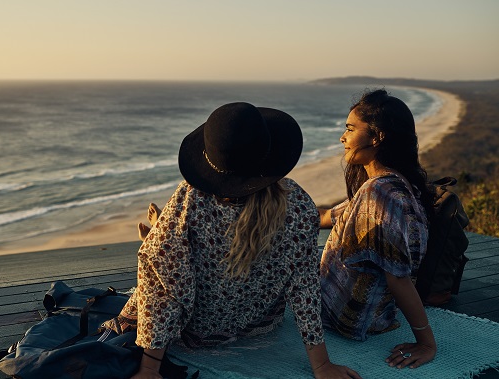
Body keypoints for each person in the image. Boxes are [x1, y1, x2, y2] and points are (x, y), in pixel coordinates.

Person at [104, 102, 361, 379]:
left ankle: (158, 231)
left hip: (194, 331)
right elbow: (304, 286)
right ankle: (159, 232)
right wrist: (322, 365)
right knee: (166, 252)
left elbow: (163, 286)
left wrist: (150, 368)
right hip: (259, 323)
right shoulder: (297, 204)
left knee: (158, 258)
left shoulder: (191, 200)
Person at [318, 89, 437, 369]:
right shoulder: (389, 184)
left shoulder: (379, 192)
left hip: (351, 317)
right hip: (364, 313)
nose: (342, 138)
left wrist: (426, 343)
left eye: (350, 129)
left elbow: (398, 277)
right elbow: (327, 216)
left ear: (377, 136)